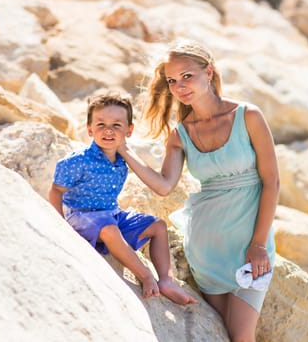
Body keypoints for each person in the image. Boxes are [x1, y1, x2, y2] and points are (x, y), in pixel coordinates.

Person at [118, 39, 279, 341]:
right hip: (207, 249)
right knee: (222, 334)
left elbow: (272, 182)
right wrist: (125, 152)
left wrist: (258, 244)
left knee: (242, 336)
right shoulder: (181, 134)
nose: (180, 86)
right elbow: (164, 186)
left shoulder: (249, 116)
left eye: (187, 76)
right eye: (172, 81)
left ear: (209, 72)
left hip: (249, 244)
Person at [48, 91, 197, 305]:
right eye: (100, 124)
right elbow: (56, 191)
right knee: (110, 230)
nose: (108, 130)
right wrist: (59, 223)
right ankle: (144, 274)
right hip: (81, 215)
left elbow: (157, 182)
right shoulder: (78, 161)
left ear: (129, 130)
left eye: (117, 125)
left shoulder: (121, 159)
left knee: (158, 226)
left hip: (111, 214)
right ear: (89, 129)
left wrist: (126, 151)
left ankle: (166, 279)